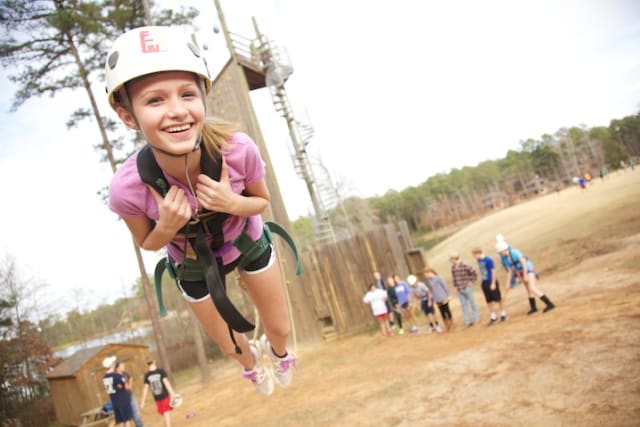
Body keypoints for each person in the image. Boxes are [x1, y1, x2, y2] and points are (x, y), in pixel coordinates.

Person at [105, 26, 295, 396]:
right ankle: (252, 364)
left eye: (187, 94)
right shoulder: (127, 187)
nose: (177, 111)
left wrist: (231, 203)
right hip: (191, 262)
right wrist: (167, 225)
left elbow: (261, 201)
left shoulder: (237, 149)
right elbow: (146, 242)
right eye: (155, 101)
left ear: (202, 97)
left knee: (280, 328)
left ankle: (281, 352)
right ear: (129, 117)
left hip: (247, 240)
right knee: (231, 346)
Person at [495, 235, 555, 314]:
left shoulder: (515, 252)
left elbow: (523, 263)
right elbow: (510, 271)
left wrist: (526, 274)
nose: (499, 254)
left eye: (500, 252)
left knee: (532, 288)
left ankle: (550, 304)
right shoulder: (505, 258)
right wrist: (508, 283)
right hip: (520, 271)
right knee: (528, 289)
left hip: (528, 269)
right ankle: (533, 308)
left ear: (503, 250)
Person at [472, 247, 507, 326]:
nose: (474, 257)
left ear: (478, 253)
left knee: (498, 299)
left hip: (491, 281)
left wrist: (493, 283)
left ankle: (503, 314)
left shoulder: (488, 260)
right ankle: (493, 317)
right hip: (484, 282)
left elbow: (493, 271)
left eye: (474, 255)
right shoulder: (479, 260)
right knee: (489, 301)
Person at [141, 359, 177, 427]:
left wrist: (143, 401)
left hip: (157, 398)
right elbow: (166, 383)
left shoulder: (147, 375)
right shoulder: (161, 371)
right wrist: (172, 393)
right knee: (166, 413)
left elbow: (145, 388)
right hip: (164, 396)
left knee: (164, 413)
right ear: (154, 361)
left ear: (147, 364)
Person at [449, 252, 479, 327]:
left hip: (467, 287)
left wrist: (472, 281)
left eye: (451, 259)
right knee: (464, 305)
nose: (450, 261)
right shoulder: (453, 267)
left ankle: (476, 318)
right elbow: (454, 278)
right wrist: (455, 287)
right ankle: (467, 321)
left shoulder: (465, 265)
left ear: (455, 258)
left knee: (472, 303)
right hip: (460, 289)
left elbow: (474, 273)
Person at [102, 356, 134, 427]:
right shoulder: (117, 376)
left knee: (121, 421)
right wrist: (129, 382)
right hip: (123, 400)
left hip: (114, 401)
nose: (114, 364)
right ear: (111, 365)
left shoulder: (105, 377)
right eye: (113, 363)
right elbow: (127, 387)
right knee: (127, 420)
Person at [116, 361, 144, 427]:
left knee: (136, 412)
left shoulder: (125, 374)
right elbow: (121, 387)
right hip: (122, 398)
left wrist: (130, 384)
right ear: (117, 367)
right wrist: (126, 386)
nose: (123, 367)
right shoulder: (116, 376)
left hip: (130, 396)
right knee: (127, 417)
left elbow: (130, 378)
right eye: (122, 366)